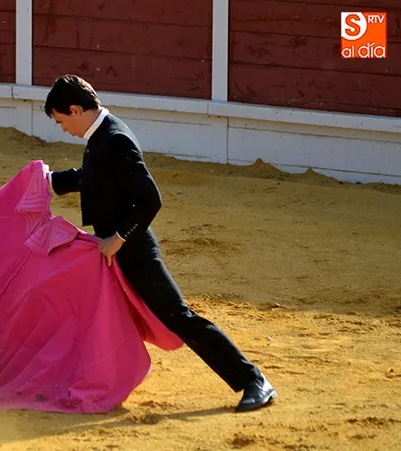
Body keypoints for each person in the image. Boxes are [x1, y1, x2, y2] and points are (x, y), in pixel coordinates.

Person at [42, 74, 277, 412]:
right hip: (116, 248)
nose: (63, 129)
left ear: (76, 109)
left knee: (179, 318)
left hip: (134, 251)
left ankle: (253, 379)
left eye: (62, 121)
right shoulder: (101, 135)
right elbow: (94, 178)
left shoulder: (115, 139)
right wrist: (49, 182)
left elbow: (150, 199)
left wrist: (119, 239)